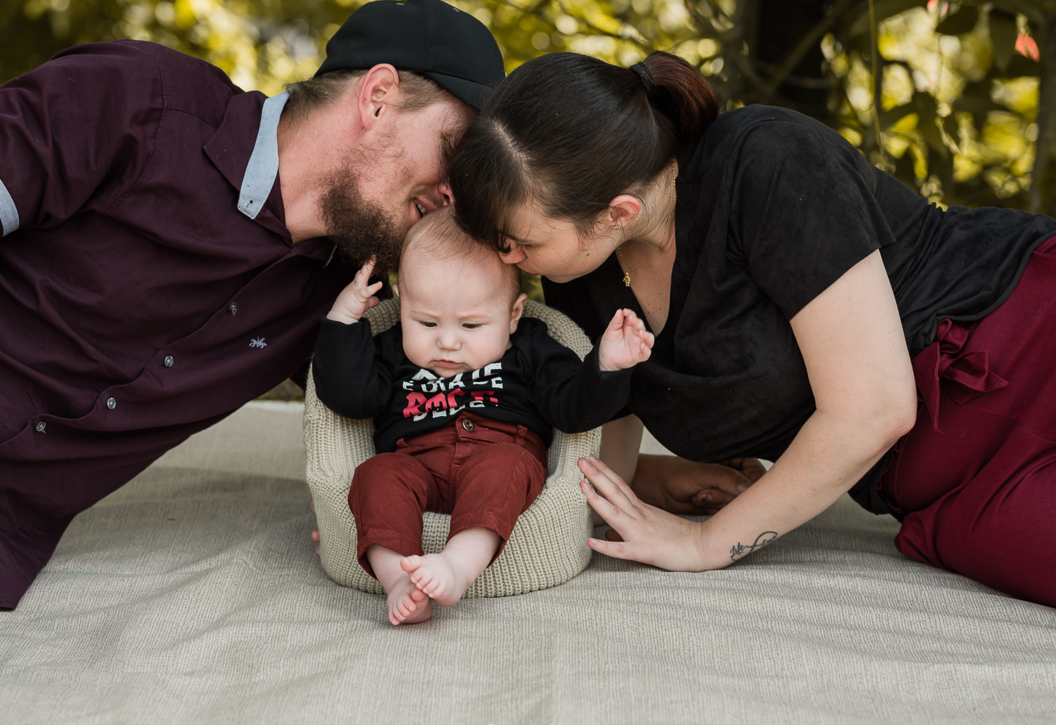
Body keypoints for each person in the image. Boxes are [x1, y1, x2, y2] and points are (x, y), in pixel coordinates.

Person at [0, 0, 505, 664]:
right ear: (378, 97)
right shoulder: (134, 98)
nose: (459, 196)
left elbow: (436, 410)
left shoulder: (345, 294)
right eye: (458, 156)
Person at [447, 50, 1056, 607]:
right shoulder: (579, 269)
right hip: (939, 488)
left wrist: (705, 542)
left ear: (618, 213)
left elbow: (875, 408)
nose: (505, 259)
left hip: (1020, 339)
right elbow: (607, 449)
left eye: (517, 242)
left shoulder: (765, 160)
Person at [311, 210, 653, 623]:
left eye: (471, 325)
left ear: (513, 315)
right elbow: (347, 397)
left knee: (505, 466)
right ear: (402, 305)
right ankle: (399, 578)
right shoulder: (392, 351)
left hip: (501, 459)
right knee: (374, 475)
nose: (447, 341)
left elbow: (573, 409)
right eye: (426, 322)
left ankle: (457, 565)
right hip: (414, 465)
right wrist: (343, 322)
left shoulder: (531, 349)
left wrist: (606, 367)